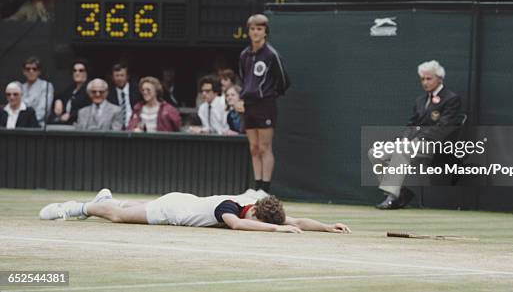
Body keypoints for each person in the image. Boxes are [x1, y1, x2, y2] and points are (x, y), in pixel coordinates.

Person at [39, 188, 351, 234]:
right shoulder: (230, 209)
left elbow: (296, 219)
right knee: (119, 217)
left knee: (124, 207)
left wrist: (326, 227)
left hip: (184, 200)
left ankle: (106, 198)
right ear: (254, 209)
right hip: (171, 210)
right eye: (259, 218)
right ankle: (74, 208)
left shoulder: (257, 206)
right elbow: (238, 226)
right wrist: (278, 230)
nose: (256, 220)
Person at [370, 60, 461, 209]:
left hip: (435, 146)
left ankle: (392, 196)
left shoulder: (451, 99)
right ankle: (401, 192)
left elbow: (444, 127)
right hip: (413, 144)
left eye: (428, 78)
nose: (425, 82)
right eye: (422, 79)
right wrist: (405, 138)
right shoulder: (420, 100)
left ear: (439, 78)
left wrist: (417, 139)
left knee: (402, 150)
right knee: (375, 153)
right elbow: (411, 124)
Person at [239, 14, 290, 195]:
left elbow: (283, 80)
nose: (255, 32)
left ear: (265, 32)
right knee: (253, 147)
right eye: (252, 29)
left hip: (266, 104)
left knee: (264, 147)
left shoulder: (271, 54)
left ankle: (265, 189)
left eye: (259, 29)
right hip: (249, 105)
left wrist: (270, 94)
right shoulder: (244, 54)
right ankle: (257, 186)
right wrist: (241, 98)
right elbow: (244, 80)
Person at [49, 59, 91, 125]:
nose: (77, 73)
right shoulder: (71, 88)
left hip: (80, 125)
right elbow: (61, 96)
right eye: (74, 71)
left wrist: (70, 115)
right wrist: (58, 100)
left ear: (86, 73)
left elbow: (88, 108)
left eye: (81, 71)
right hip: (64, 124)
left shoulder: (90, 88)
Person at [20, 56, 54, 126]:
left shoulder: (46, 86)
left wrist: (26, 121)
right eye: (28, 69)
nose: (31, 71)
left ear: (39, 72)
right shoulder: (20, 87)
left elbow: (43, 110)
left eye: (34, 69)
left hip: (37, 126)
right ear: (24, 72)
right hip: (20, 125)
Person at [107, 63, 140, 130]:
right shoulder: (108, 94)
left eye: (122, 75)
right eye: (117, 76)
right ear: (112, 77)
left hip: (135, 127)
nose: (119, 78)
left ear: (127, 76)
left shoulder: (137, 90)